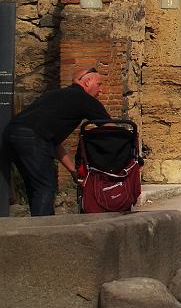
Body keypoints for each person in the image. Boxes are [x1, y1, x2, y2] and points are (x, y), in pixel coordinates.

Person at [0, 68, 110, 216]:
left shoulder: (54, 95)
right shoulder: (84, 99)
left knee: (36, 187)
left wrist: (73, 171)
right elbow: (112, 129)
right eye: (99, 84)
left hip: (11, 134)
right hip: (32, 139)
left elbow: (52, 143)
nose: (101, 90)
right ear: (87, 81)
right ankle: (42, 234)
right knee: (45, 187)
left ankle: (39, 226)